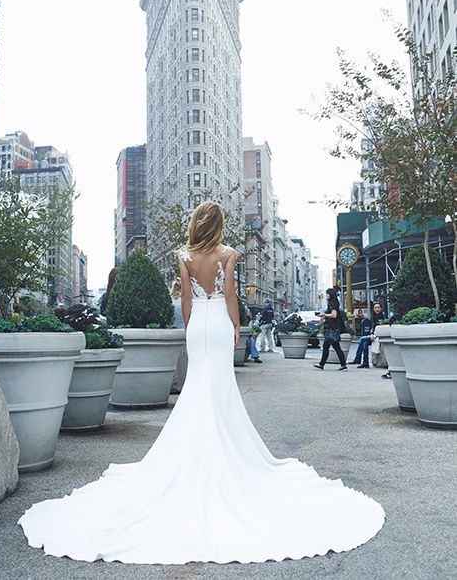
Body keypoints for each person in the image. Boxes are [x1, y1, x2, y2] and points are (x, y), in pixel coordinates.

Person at [19, 201, 384, 564]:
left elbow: (188, 300)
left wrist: (191, 327)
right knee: (219, 387)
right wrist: (237, 325)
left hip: (198, 327)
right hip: (220, 323)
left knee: (197, 386)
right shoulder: (228, 254)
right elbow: (228, 295)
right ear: (219, 224)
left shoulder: (185, 255)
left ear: (196, 224)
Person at [314, 288, 348, 371]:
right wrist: (321, 320)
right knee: (335, 347)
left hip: (332, 329)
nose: (326, 295)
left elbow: (334, 315)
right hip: (332, 328)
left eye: (327, 294)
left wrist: (324, 314)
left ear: (331, 294)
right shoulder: (333, 303)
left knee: (329, 346)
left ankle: (322, 364)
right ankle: (342, 365)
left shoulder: (333, 303)